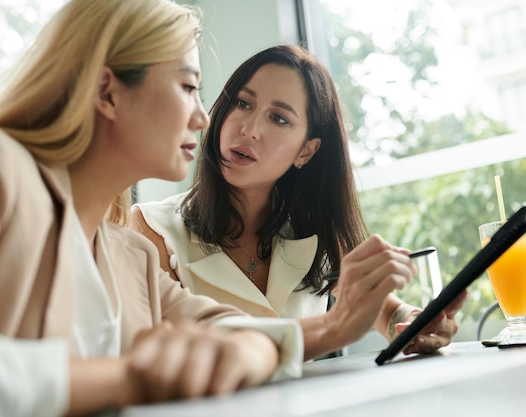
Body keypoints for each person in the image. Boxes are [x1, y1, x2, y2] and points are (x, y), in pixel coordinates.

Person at [0, 2, 307, 416]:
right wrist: (127, 380)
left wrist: (249, 349)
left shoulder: (130, 255)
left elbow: (244, 332)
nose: (203, 118)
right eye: (189, 88)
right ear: (107, 93)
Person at [130, 44, 467, 361]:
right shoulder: (152, 230)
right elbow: (163, 357)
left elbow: (385, 311)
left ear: (307, 151)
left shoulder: (314, 233)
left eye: (278, 118)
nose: (249, 129)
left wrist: (414, 322)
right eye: (243, 103)